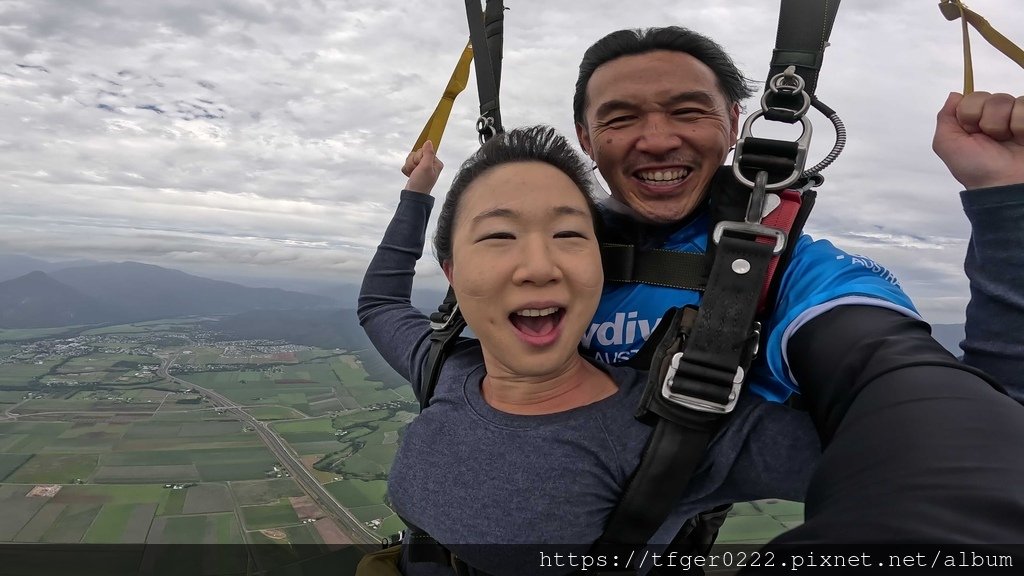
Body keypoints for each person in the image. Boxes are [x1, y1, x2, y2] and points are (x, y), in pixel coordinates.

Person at [359, 127, 826, 575]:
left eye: (569, 235)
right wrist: (418, 192)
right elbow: (380, 302)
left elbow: (884, 464)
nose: (539, 268)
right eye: (499, 235)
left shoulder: (676, 428)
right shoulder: (443, 366)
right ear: (452, 274)